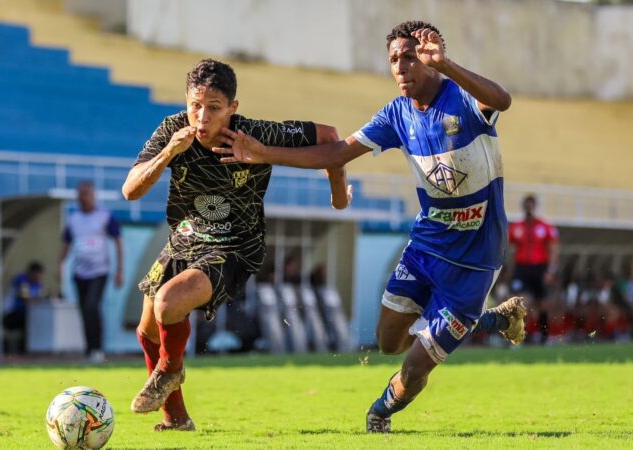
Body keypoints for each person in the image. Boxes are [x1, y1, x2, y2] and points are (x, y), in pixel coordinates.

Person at [214, 20, 526, 433]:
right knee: (388, 342)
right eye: (394, 59)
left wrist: (448, 65)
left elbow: (502, 100)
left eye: (410, 56)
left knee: (414, 368)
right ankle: (492, 320)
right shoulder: (396, 115)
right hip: (427, 246)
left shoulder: (465, 100)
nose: (400, 66)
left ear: (432, 58)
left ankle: (378, 413)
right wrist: (263, 154)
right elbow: (337, 152)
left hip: (475, 259)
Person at [121, 58, 352, 431]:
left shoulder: (254, 133)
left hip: (234, 246)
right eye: (195, 106)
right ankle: (176, 419)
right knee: (147, 330)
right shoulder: (172, 129)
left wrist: (339, 195)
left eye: (214, 108)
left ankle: (169, 371)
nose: (202, 117)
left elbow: (331, 138)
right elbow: (130, 191)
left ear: (233, 108)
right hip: (184, 240)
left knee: (168, 303)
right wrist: (168, 155)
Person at [58, 181, 124, 363]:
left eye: (86, 193)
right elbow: (66, 244)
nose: (82, 197)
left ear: (93, 195)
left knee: (92, 307)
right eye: (80, 194)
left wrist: (120, 270)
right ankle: (89, 350)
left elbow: (118, 240)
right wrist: (59, 266)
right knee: (84, 311)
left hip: (99, 270)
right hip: (79, 272)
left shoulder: (104, 216)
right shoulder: (73, 219)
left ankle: (98, 349)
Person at [508, 194, 559, 344]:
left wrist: (550, 270)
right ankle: (519, 336)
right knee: (519, 302)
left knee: (542, 303)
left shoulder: (545, 226)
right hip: (522, 268)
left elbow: (554, 249)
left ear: (535, 206)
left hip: (540, 268)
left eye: (531, 205)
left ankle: (543, 335)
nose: (529, 208)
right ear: (523, 206)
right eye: (527, 205)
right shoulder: (516, 226)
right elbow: (508, 248)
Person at [2, 261, 45, 354]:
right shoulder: (22, 279)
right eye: (37, 275)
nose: (39, 278)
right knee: (31, 319)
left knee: (39, 318)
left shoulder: (37, 284)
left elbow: (37, 300)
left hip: (25, 315)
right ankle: (25, 349)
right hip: (10, 314)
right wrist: (36, 300)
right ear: (31, 273)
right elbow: (25, 297)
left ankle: (38, 347)